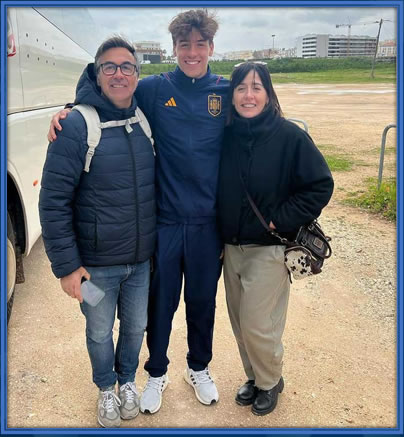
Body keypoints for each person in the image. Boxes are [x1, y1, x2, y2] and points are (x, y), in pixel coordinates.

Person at [47, 10, 229, 414]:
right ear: (174, 49)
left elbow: (257, 118)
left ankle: (197, 367)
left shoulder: (226, 91)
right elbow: (105, 96)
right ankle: (153, 374)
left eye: (201, 44)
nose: (193, 52)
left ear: (211, 48)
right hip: (156, 229)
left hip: (200, 227)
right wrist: (66, 112)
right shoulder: (152, 89)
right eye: (185, 45)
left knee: (196, 305)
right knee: (142, 313)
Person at [39, 36, 156, 428]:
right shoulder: (75, 125)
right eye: (110, 66)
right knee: (99, 329)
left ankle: (127, 381)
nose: (119, 74)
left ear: (137, 75)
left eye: (127, 67)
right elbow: (53, 202)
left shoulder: (144, 119)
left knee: (136, 326)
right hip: (94, 267)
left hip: (139, 264)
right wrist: (67, 268)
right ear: (97, 73)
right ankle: (106, 388)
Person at [217, 62, 334, 416]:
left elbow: (320, 185)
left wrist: (277, 219)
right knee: (239, 322)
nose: (248, 95)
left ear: (268, 95)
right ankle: (255, 377)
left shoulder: (289, 136)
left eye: (256, 87)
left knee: (258, 323)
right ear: (232, 95)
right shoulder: (224, 134)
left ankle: (270, 382)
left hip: (269, 248)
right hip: (230, 246)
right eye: (241, 88)